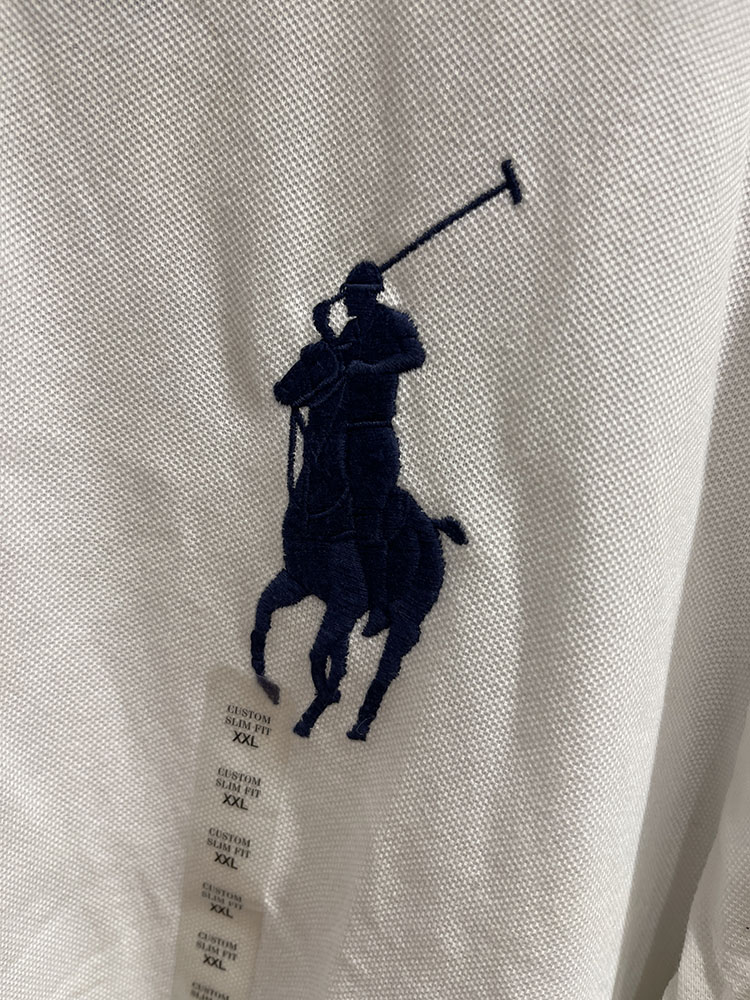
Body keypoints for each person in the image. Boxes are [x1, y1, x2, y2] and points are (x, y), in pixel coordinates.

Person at [313, 261, 426, 636]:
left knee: (367, 520)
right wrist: (324, 330)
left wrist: (373, 368)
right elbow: (339, 360)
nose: (345, 302)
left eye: (349, 295)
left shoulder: (395, 322)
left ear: (366, 295)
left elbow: (416, 356)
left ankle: (380, 606)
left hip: (377, 437)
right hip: (349, 434)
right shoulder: (352, 328)